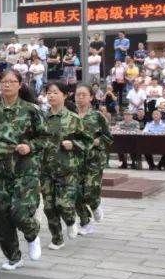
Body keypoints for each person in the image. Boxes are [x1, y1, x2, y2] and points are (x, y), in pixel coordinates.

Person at [0, 69, 46, 270]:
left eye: (11, 81)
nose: (7, 85)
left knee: (20, 213)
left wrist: (30, 146)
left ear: (19, 84)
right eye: (3, 82)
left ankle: (32, 234)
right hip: (1, 170)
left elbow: (46, 138)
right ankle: (14, 257)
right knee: (1, 219)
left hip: (25, 169)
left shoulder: (31, 110)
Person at [40, 82, 91, 248]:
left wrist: (74, 144)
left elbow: (88, 141)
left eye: (55, 92)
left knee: (64, 204)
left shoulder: (73, 118)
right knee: (48, 207)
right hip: (46, 169)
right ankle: (57, 238)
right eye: (49, 92)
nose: (51, 96)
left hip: (67, 170)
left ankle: (70, 221)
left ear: (64, 95)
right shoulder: (42, 118)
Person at [76, 85, 112, 227]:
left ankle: (95, 204)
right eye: (78, 95)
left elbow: (108, 137)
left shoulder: (97, 116)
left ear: (91, 97)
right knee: (76, 192)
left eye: (84, 95)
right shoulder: (70, 116)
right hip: (76, 159)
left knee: (90, 189)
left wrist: (99, 141)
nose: (80, 97)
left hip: (94, 160)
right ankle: (85, 222)